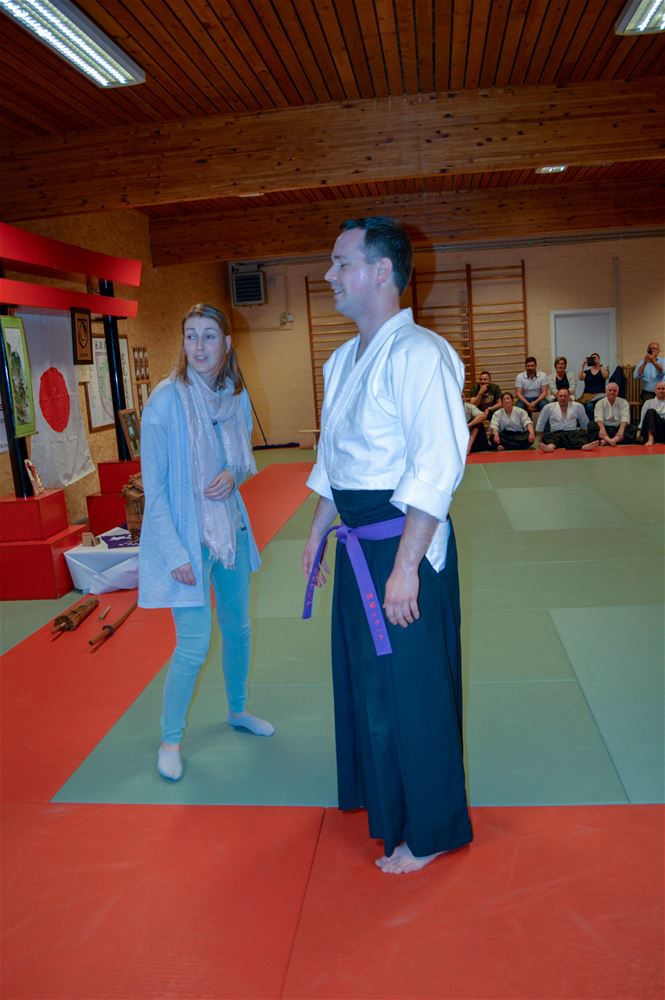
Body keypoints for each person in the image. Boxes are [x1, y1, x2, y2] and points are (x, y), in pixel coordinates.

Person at [302, 217, 472, 875]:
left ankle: (430, 829)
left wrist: (405, 568)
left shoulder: (420, 354)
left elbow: (437, 465)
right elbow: (334, 462)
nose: (329, 274)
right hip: (357, 544)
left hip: (402, 545)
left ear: (380, 271)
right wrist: (317, 533)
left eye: (340, 262)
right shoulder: (341, 360)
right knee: (371, 683)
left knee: (413, 688)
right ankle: (388, 806)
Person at [138, 303, 274, 783]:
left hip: (230, 532)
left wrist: (232, 476)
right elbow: (154, 490)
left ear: (226, 343)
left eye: (209, 335)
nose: (199, 346)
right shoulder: (164, 402)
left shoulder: (234, 394)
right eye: (191, 335)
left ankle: (237, 711)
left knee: (238, 628)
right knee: (193, 646)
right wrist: (174, 553)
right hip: (188, 541)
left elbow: (242, 460)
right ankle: (170, 739)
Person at [536, 387, 600, 452]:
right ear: (557, 397)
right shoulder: (548, 407)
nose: (563, 398)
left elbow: (584, 421)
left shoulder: (578, 406)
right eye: (560, 396)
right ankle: (550, 447)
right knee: (549, 437)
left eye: (565, 396)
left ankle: (584, 445)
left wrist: (585, 436)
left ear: (569, 397)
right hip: (556, 433)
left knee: (579, 436)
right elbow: (541, 421)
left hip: (572, 433)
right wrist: (539, 439)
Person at [589, 382, 636, 446]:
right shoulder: (600, 403)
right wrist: (602, 429)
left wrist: (621, 430)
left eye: (614, 390)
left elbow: (625, 418)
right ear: (606, 392)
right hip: (605, 429)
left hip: (618, 429)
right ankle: (611, 441)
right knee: (591, 425)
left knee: (632, 428)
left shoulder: (624, 402)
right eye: (610, 390)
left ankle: (608, 441)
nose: (612, 392)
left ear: (617, 392)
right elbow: (598, 418)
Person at [577, 352, 609, 418]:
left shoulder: (602, 370)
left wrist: (600, 364)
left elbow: (606, 376)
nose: (594, 360)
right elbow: (580, 378)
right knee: (589, 406)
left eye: (596, 358)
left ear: (599, 360)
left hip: (600, 395)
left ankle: (598, 420)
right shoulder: (587, 372)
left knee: (598, 404)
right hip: (588, 395)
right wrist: (583, 365)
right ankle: (593, 421)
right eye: (593, 358)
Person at [639, 381, 665, 446]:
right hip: (649, 431)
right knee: (651, 411)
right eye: (658, 389)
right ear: (655, 391)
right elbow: (642, 420)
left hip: (663, 431)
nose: (661, 391)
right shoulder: (648, 402)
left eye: (663, 389)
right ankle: (651, 438)